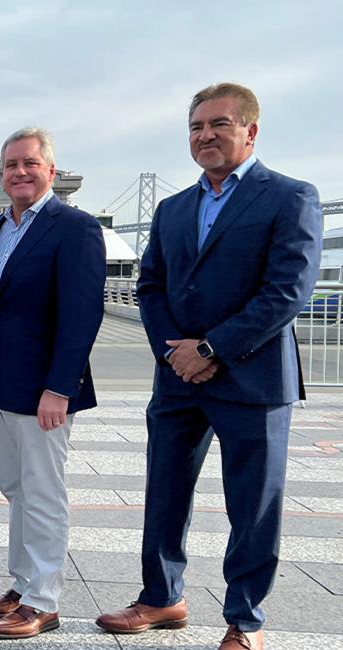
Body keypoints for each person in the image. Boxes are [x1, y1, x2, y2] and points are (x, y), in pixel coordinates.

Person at [97, 83, 321, 650]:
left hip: (252, 379)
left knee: (253, 504)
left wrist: (212, 349)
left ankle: (244, 621)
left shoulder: (290, 196)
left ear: (251, 131)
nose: (205, 136)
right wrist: (175, 352)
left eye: (219, 124)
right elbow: (150, 286)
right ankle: (161, 597)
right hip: (176, 379)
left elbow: (287, 290)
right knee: (164, 491)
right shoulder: (174, 209)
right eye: (196, 127)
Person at [0, 128, 105, 639]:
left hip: (44, 390)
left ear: (50, 169)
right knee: (16, 488)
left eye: (29, 163)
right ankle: (22, 585)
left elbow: (81, 313)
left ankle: (43, 601)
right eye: (10, 165)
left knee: (44, 491)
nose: (18, 173)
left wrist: (60, 387)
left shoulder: (73, 227)